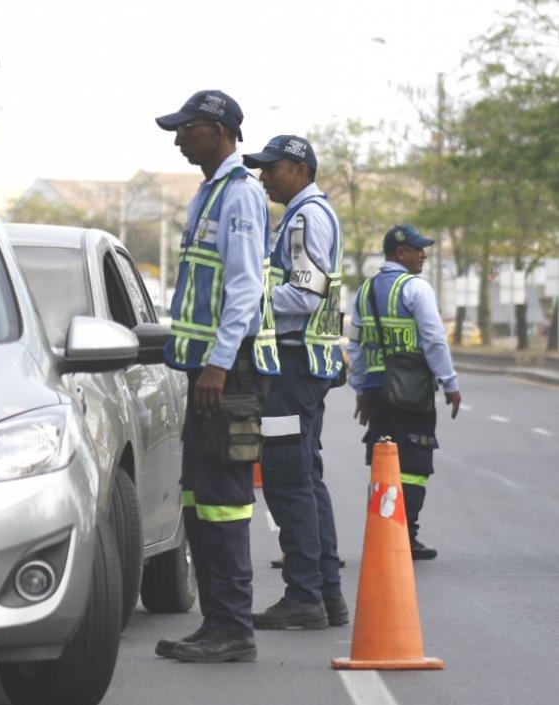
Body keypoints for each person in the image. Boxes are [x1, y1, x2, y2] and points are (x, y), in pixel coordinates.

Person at [152, 90, 278, 663]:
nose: (178, 139)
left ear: (220, 132)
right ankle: (218, 623)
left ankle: (232, 629)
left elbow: (246, 287)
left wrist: (220, 363)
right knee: (200, 499)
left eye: (188, 129)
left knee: (224, 500)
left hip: (228, 372)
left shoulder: (241, 195)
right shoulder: (209, 193)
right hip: (208, 371)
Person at [243, 136, 348, 629]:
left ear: (300, 170)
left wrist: (250, 306)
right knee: (305, 477)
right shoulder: (310, 213)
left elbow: (305, 294)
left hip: (293, 365)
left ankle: (304, 596)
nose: (264, 178)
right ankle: (325, 594)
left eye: (272, 169)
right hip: (306, 366)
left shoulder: (306, 217)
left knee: (287, 480)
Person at [347, 225, 461, 560]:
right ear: (401, 253)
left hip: (377, 391)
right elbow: (434, 339)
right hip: (411, 390)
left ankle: (385, 530)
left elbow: (355, 345)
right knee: (413, 462)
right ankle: (405, 535)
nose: (423, 254)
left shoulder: (364, 291)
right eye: (418, 248)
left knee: (383, 460)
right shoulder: (416, 288)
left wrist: (361, 390)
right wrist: (450, 383)